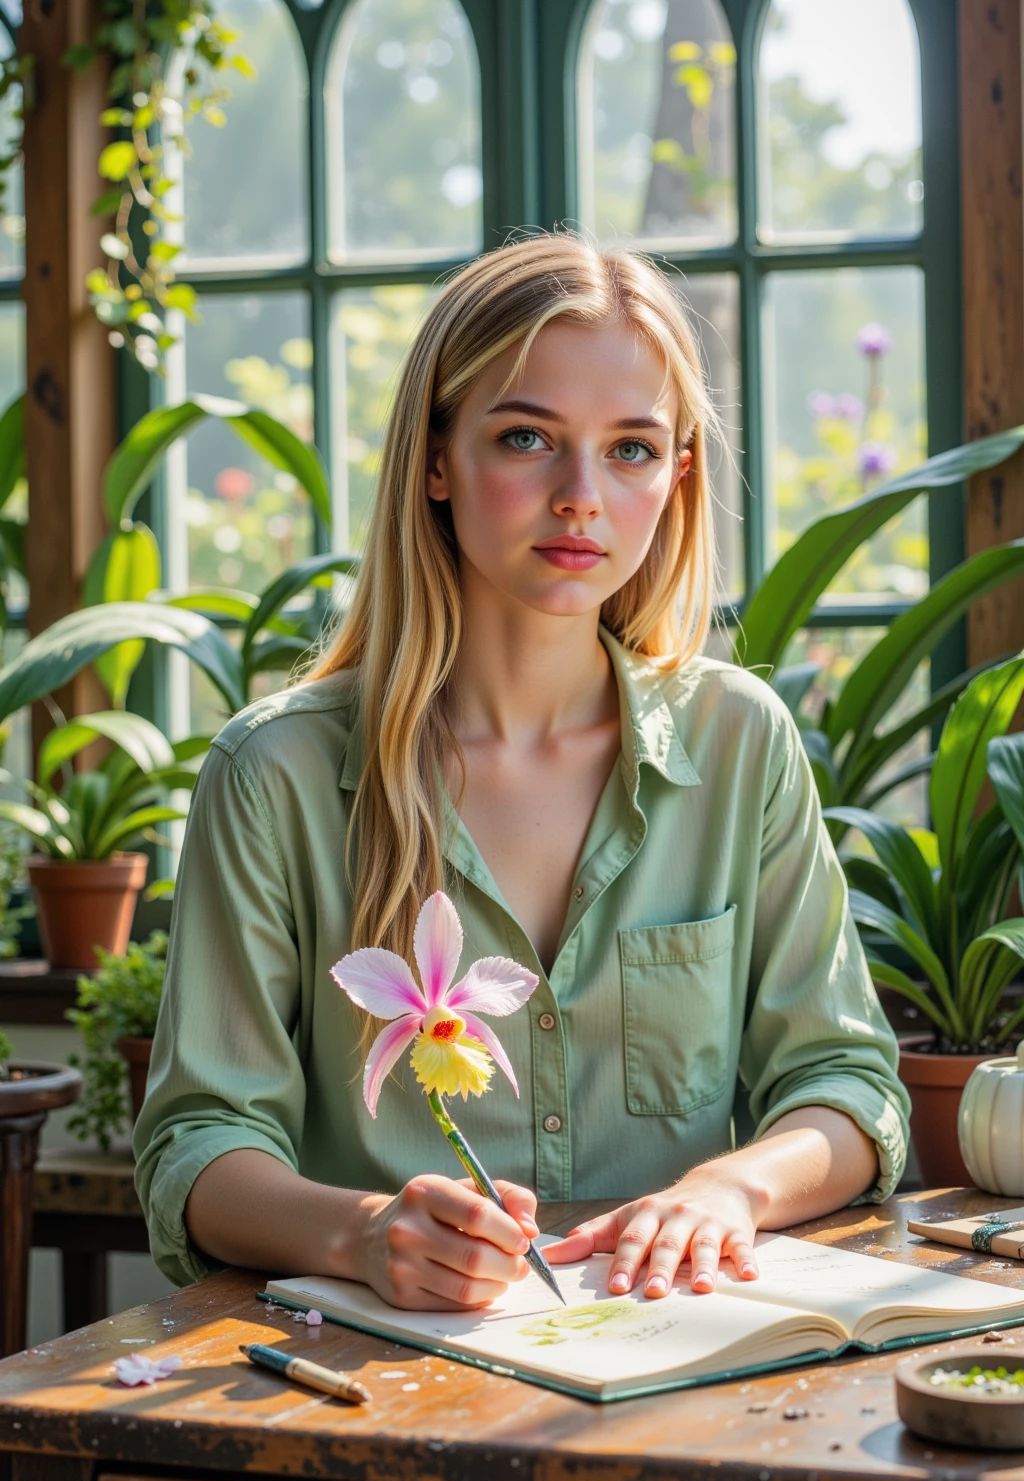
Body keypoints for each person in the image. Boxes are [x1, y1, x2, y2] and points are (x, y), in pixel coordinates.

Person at [135, 232, 911, 1311]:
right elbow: (199, 1141)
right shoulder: (275, 776)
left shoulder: (741, 742)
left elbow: (846, 1083)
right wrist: (364, 1235)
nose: (581, 495)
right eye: (526, 438)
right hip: (381, 1379)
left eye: (631, 449)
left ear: (677, 476)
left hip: (679, 1367)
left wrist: (728, 1190)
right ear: (437, 460)